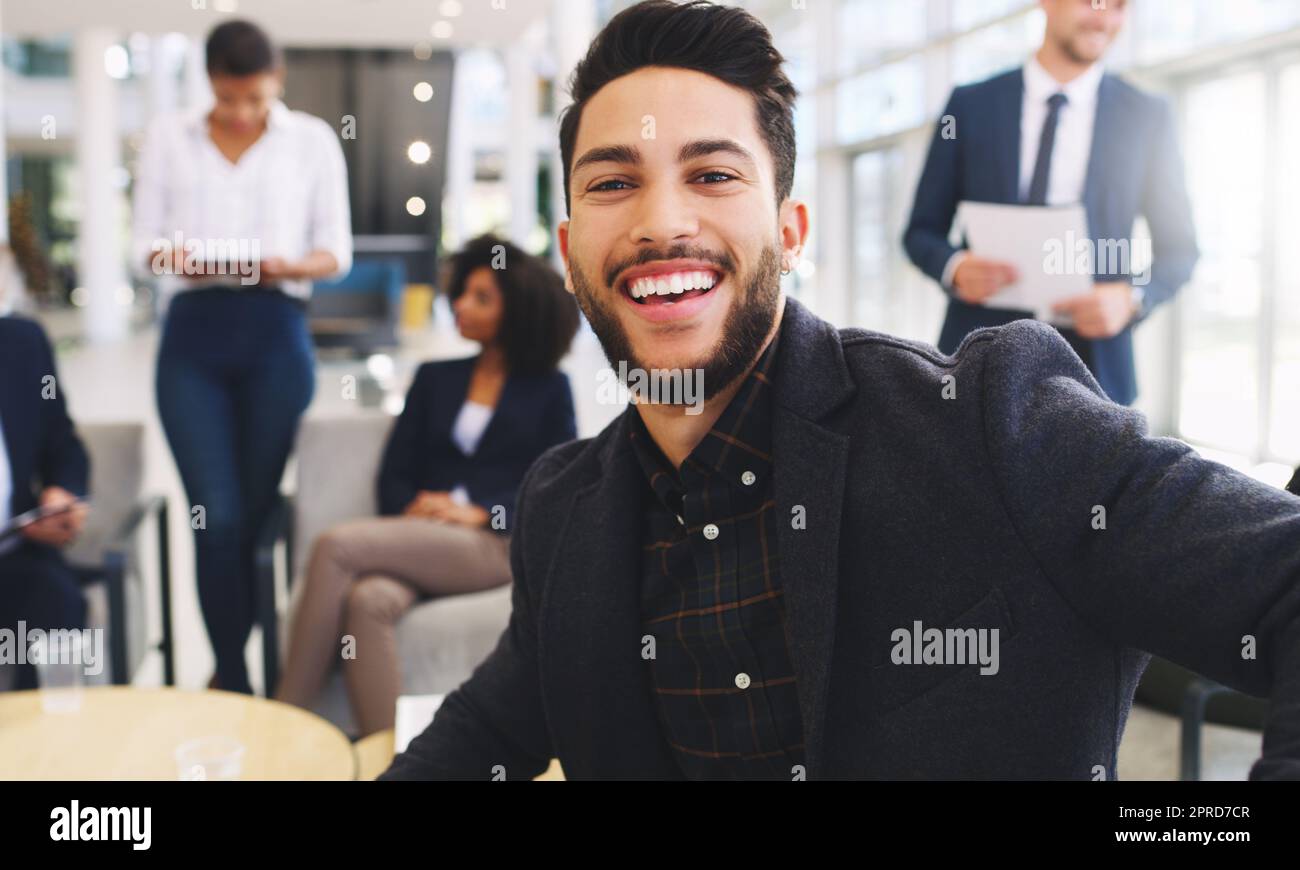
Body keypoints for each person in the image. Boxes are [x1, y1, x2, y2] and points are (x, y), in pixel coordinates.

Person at [380, 0, 1300, 781]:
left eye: (712, 175)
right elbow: (489, 733)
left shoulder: (994, 423)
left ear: (790, 229)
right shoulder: (562, 507)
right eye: (615, 182)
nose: (663, 221)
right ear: (571, 248)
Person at [276, 235, 579, 735]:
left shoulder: (550, 389)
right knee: (368, 600)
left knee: (335, 547)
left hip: (494, 543)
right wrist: (418, 505)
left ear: (518, 310)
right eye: (461, 293)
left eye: (481, 297)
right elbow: (393, 474)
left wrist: (481, 511)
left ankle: (284, 721)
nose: (460, 305)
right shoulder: (436, 377)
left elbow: (556, 479)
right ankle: (390, 759)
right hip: (423, 540)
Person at [131, 20, 352, 694]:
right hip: (193, 337)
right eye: (228, 99)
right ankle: (231, 674)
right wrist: (185, 260)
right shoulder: (169, 137)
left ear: (276, 81)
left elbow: (334, 254)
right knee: (216, 516)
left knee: (255, 519)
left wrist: (282, 264)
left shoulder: (311, 142)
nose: (240, 112)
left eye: (254, 98)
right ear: (208, 83)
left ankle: (264, 667)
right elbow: (144, 248)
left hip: (276, 335)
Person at [903, 0, 1198, 407]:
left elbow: (1180, 250)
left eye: (1117, 6)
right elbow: (921, 231)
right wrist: (955, 267)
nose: (1102, 16)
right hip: (976, 356)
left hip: (1096, 369)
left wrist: (1131, 298)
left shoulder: (1147, 116)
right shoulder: (969, 106)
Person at [0, 313, 90, 691]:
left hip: (14, 551)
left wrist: (61, 493)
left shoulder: (23, 341)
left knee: (56, 601)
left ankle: (36, 744)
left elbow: (63, 444)